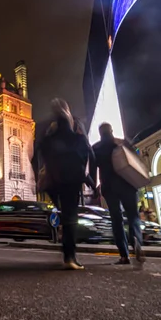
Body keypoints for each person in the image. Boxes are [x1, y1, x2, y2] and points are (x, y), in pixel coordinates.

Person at [32, 98, 95, 270]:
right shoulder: (75, 126)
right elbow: (86, 152)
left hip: (53, 180)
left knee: (65, 214)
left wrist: (37, 175)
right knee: (70, 217)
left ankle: (66, 246)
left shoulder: (47, 131)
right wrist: (88, 178)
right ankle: (70, 256)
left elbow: (36, 154)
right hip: (70, 178)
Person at [90, 123, 144, 265]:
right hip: (128, 183)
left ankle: (124, 255)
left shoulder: (96, 148)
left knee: (116, 220)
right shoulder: (122, 142)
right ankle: (136, 239)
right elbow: (137, 156)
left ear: (100, 133)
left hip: (109, 187)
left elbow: (92, 171)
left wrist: (93, 188)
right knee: (133, 216)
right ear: (111, 131)